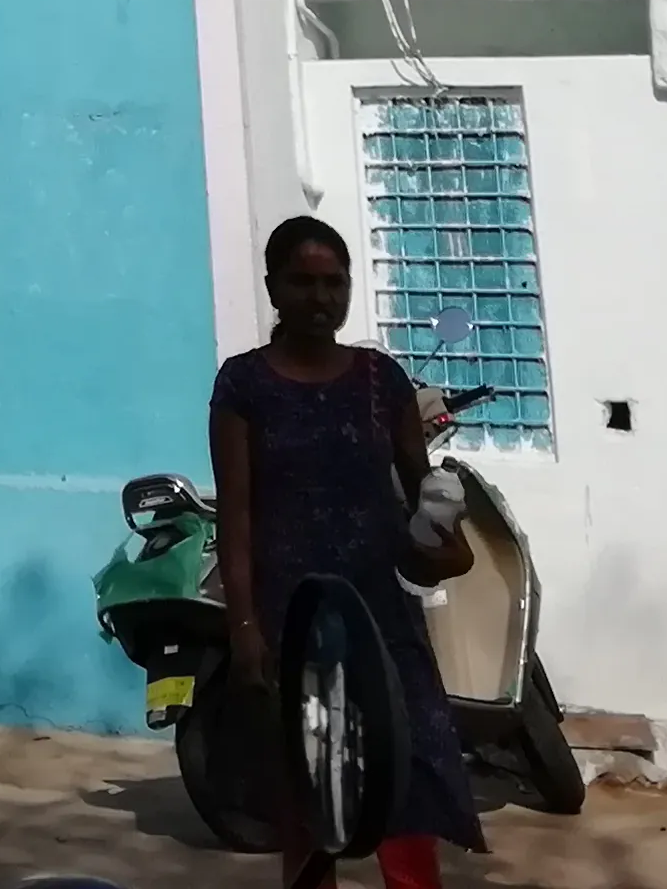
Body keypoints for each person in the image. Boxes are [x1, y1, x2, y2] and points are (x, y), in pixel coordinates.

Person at [210, 215, 482, 889]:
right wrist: (244, 628)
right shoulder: (244, 386)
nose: (321, 297)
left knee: (410, 776)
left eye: (335, 282)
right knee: (311, 794)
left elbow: (424, 493)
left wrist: (446, 539)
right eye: (303, 281)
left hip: (381, 615)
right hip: (292, 618)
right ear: (273, 287)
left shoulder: (379, 381)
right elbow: (236, 517)